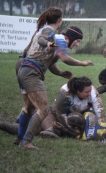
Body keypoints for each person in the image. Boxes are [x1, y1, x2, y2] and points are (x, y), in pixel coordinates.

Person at [16, 8, 93, 149]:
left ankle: (20, 138)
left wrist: (61, 73)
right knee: (44, 109)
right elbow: (61, 55)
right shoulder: (57, 36)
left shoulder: (53, 37)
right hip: (31, 72)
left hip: (25, 69)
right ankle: (26, 141)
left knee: (28, 108)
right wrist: (82, 63)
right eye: (78, 41)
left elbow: (50, 63)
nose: (78, 44)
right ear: (60, 20)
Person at [4, 76, 105, 142]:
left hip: (75, 118)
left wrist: (101, 126)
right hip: (55, 114)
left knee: (42, 130)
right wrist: (67, 129)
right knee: (49, 127)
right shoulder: (65, 93)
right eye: (86, 92)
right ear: (78, 91)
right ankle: (49, 130)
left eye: (90, 90)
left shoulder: (93, 92)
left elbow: (100, 112)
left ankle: (50, 131)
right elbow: (60, 114)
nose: (89, 93)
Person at [1, 112, 106, 141]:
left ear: (76, 128)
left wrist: (62, 129)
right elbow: (85, 115)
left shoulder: (85, 137)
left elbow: (73, 133)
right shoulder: (89, 117)